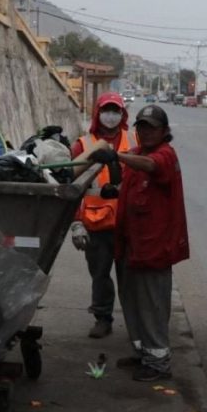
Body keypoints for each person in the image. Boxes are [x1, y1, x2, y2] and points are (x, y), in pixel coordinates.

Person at [87, 104, 189, 382]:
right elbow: (134, 178)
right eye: (141, 127)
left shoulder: (164, 155)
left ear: (164, 132)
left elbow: (152, 167)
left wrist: (115, 154)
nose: (145, 132)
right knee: (132, 301)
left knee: (151, 304)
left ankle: (159, 364)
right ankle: (143, 354)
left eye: (152, 127)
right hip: (132, 243)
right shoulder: (138, 153)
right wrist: (115, 188)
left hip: (154, 247)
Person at [68, 92, 137, 338]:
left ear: (122, 114)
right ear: (98, 113)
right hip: (96, 224)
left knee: (130, 278)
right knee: (100, 275)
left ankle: (136, 324)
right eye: (107, 110)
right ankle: (102, 318)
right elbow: (72, 188)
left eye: (115, 110)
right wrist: (76, 223)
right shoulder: (82, 145)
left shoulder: (134, 140)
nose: (111, 115)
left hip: (129, 224)